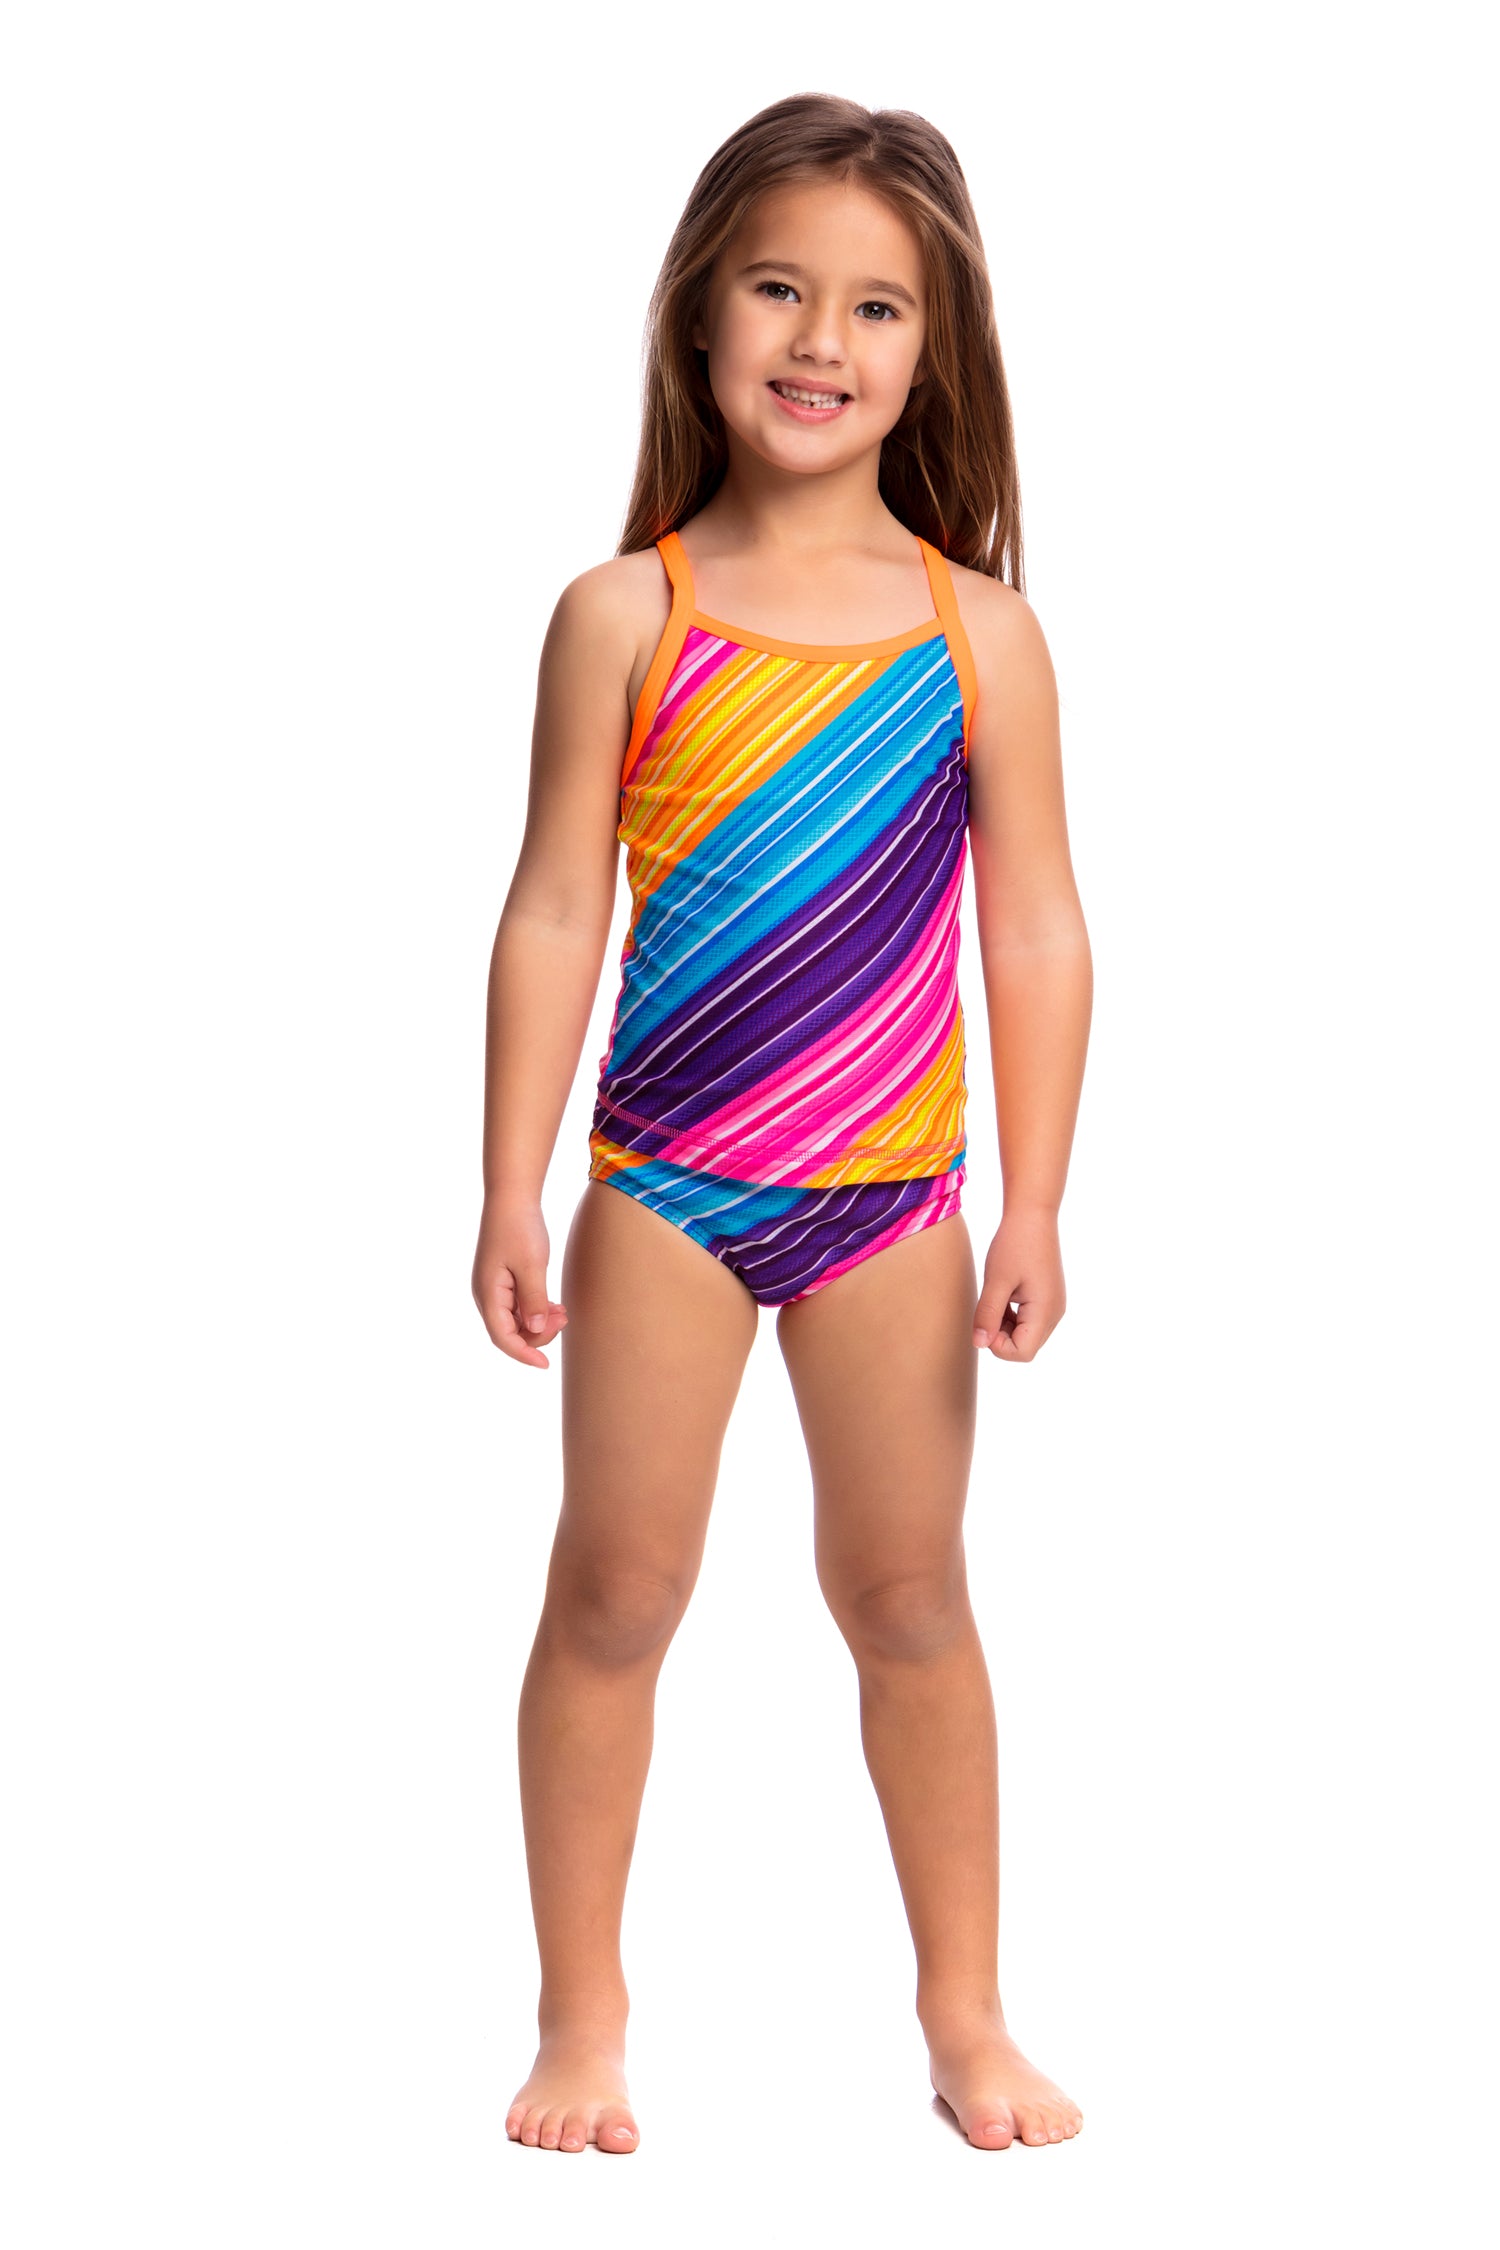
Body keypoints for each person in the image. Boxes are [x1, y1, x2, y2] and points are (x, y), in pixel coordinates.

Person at [473, 92, 1092, 2156]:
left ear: (933, 350)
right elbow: (553, 909)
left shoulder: (976, 634)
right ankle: (581, 2018)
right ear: (700, 316)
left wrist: (1036, 1204)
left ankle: (967, 2013)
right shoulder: (623, 616)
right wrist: (510, 1182)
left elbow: (1036, 928)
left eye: (877, 306)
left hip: (894, 1205)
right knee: (614, 1594)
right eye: (778, 288)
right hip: (663, 1190)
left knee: (910, 1601)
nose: (823, 339)